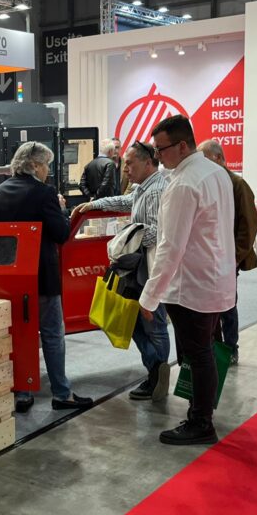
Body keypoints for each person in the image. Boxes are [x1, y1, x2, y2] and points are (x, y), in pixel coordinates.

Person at [138, 116, 236, 445]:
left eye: (161, 149)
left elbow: (171, 246)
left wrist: (150, 295)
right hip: (213, 277)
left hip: (191, 285)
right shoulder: (215, 172)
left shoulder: (184, 183)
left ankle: (201, 422)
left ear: (182, 146)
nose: (157, 156)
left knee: (198, 354)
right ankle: (199, 413)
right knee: (203, 350)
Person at [0, 141, 92, 412]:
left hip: (11, 276)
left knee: (20, 334)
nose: (48, 170)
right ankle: (61, 392)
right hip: (42, 276)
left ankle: (22, 392)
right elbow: (61, 233)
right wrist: (61, 208)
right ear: (35, 166)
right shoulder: (44, 193)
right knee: (52, 335)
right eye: (46, 164)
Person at [74, 141, 171, 400]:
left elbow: (158, 233)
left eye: (130, 163)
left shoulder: (156, 191)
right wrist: (96, 204)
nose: (125, 169)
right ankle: (156, 370)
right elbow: (127, 201)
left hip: (150, 269)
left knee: (152, 324)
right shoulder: (144, 187)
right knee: (136, 321)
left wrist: (126, 237)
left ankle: (156, 375)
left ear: (148, 163)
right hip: (140, 267)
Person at [197, 139, 257, 366]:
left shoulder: (237, 184)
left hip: (228, 258)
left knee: (228, 306)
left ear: (218, 158)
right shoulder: (207, 183)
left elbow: (249, 225)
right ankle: (215, 347)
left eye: (204, 159)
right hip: (209, 257)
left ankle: (231, 347)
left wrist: (234, 258)